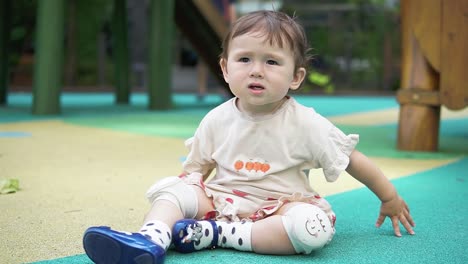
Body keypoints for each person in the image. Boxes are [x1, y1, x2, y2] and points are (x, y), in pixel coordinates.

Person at [83, 10, 415, 264]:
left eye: (272, 61)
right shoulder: (217, 119)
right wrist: (187, 195)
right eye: (245, 60)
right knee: (174, 188)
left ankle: (220, 236)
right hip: (219, 203)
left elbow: (351, 160)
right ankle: (151, 239)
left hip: (280, 210)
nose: (256, 70)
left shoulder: (307, 124)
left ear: (296, 77)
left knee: (312, 228)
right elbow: (196, 171)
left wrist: (389, 197)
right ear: (226, 69)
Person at [197, 0, 236, 101]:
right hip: (208, 22)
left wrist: (232, 28)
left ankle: (222, 89)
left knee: (223, 58)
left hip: (223, 25)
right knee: (203, 59)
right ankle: (201, 90)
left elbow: (232, 9)